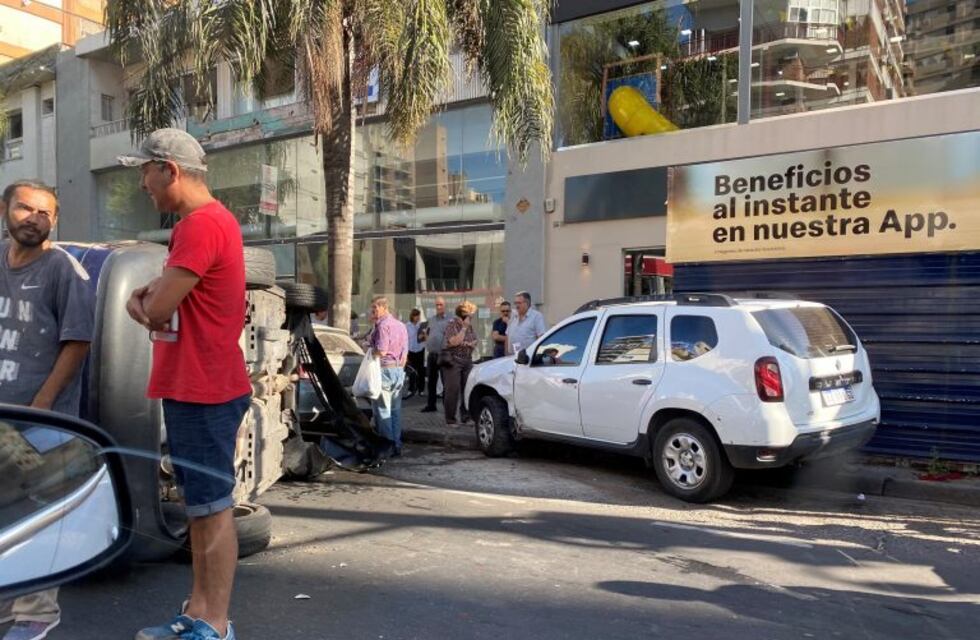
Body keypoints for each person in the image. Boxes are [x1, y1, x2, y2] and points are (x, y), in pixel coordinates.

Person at [120, 129, 252, 640]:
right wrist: (149, 301)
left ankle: (214, 624)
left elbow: (156, 308)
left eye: (145, 172)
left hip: (205, 388)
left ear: (169, 170)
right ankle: (197, 612)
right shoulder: (202, 225)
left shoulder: (200, 225)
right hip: (196, 385)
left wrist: (138, 305)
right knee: (200, 510)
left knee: (212, 509)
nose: (142, 184)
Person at [0, 181, 94, 640]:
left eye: (45, 212)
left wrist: (42, 408)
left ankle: (36, 611)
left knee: (36, 511)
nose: (35, 218)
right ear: (5, 210)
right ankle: (7, 605)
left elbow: (78, 342)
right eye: (25, 208)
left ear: (54, 220)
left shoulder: (63, 270)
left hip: (40, 419)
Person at [368, 296, 408, 456]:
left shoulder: (383, 325)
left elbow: (382, 350)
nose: (373, 311)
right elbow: (405, 353)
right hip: (398, 370)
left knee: (383, 410)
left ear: (384, 307)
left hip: (384, 369)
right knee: (395, 411)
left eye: (375, 308)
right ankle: (396, 445)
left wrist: (369, 350)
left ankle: (387, 447)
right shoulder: (401, 325)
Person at [442, 301, 478, 427]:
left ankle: (466, 416)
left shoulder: (470, 326)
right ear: (464, 314)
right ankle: (450, 419)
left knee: (467, 389)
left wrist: (472, 343)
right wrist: (463, 328)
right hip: (454, 361)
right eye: (471, 314)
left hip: (467, 360)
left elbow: (474, 339)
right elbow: (453, 342)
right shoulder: (452, 324)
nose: (472, 316)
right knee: (453, 390)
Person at [420, 297, 450, 413]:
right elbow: (428, 332)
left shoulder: (450, 319)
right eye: (437, 305)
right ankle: (431, 405)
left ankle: (447, 407)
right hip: (432, 354)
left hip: (443, 354)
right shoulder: (431, 319)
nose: (438, 307)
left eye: (441, 304)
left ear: (445, 305)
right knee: (431, 382)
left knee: (446, 382)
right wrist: (427, 340)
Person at [506, 291, 547, 356]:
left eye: (519, 303)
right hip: (512, 356)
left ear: (527, 303)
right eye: (515, 303)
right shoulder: (513, 316)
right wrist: (506, 354)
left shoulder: (536, 316)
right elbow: (508, 335)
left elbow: (541, 338)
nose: (516, 306)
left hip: (528, 357)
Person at [404, 308, 426, 396]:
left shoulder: (421, 325)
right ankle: (411, 388)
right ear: (412, 316)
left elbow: (424, 337)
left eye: (418, 316)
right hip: (411, 350)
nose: (417, 318)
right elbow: (405, 338)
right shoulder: (407, 326)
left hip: (420, 349)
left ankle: (421, 389)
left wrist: (424, 334)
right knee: (412, 370)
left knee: (421, 370)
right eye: (416, 316)